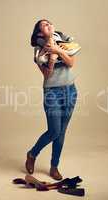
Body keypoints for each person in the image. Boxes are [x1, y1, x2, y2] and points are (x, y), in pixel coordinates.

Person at [25, 19, 78, 180]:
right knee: (54, 131)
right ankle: (32, 153)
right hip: (52, 93)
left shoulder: (63, 39)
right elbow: (47, 75)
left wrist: (57, 50)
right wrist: (52, 58)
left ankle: (54, 166)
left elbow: (70, 63)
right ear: (40, 33)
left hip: (70, 90)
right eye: (44, 25)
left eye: (50, 23)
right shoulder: (39, 50)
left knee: (61, 133)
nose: (49, 25)